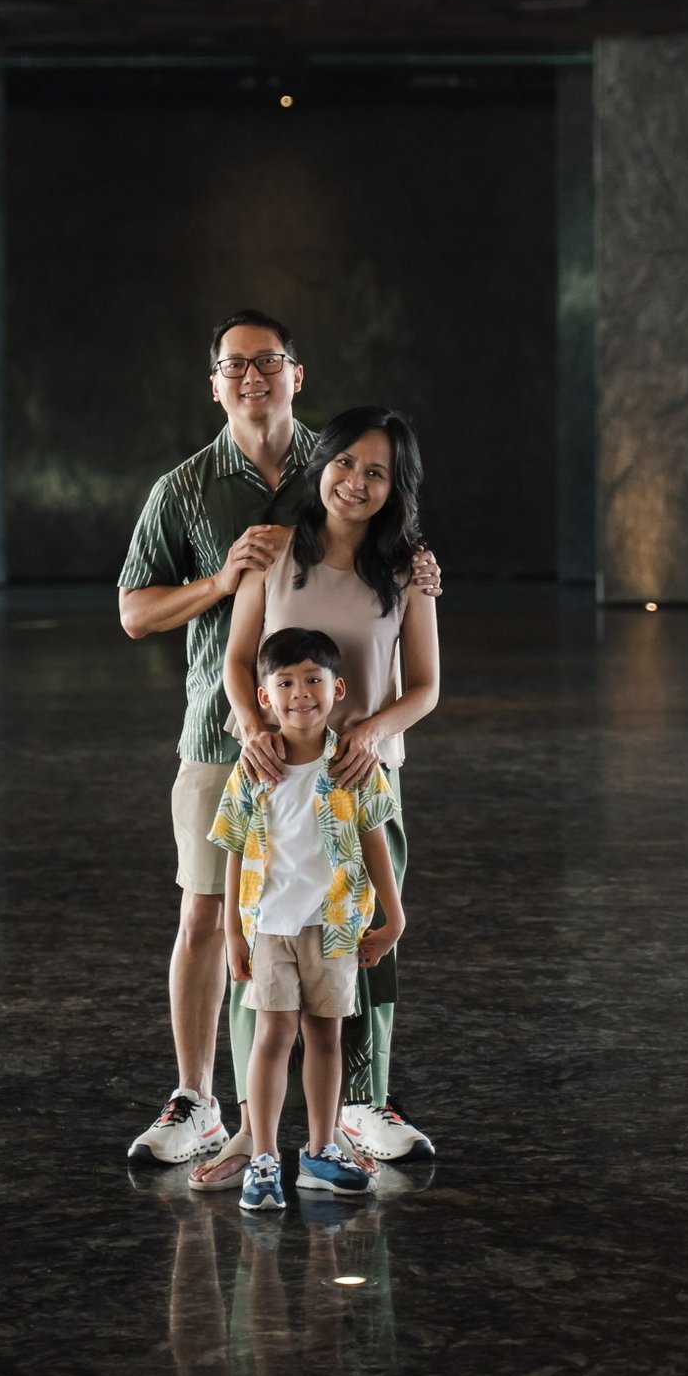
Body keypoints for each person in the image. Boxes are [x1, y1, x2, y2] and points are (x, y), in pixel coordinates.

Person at [118, 311, 440, 1173]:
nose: (252, 376)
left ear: (299, 374)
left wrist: (421, 576)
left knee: (354, 928)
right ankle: (207, 1103)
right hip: (230, 745)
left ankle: (355, 1107)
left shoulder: (340, 478)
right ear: (214, 382)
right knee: (217, 918)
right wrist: (222, 581)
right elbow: (137, 613)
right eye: (235, 365)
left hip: (347, 765)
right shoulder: (184, 490)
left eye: (269, 362)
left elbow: (413, 647)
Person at [218, 406, 439, 1167]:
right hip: (276, 787)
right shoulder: (272, 551)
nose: (356, 482)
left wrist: (372, 733)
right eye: (346, 462)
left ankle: (364, 1104)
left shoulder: (408, 570)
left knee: (366, 950)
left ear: (394, 488)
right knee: (264, 950)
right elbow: (238, 662)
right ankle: (256, 1122)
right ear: (323, 463)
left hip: (363, 784)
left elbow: (428, 688)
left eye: (377, 472)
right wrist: (253, 733)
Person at [211, 626, 404, 1212]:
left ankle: (321, 1150)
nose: (301, 694)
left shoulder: (354, 766)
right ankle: (264, 1157)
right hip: (270, 927)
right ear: (264, 697)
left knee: (326, 1036)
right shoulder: (252, 769)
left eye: (314, 680)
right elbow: (234, 849)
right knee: (272, 1037)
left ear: (338, 688)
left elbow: (376, 842)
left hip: (337, 925)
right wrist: (232, 932)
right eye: (286, 683)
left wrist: (392, 918)